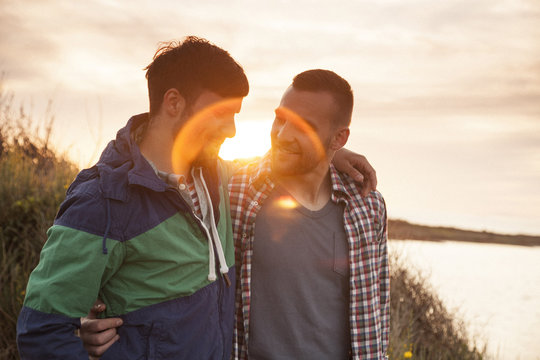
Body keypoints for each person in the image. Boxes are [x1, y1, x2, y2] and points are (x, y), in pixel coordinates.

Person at [17, 37, 377, 359]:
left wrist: (332, 154)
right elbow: (42, 331)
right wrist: (80, 330)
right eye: (221, 114)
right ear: (174, 103)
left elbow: (283, 161)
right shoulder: (102, 200)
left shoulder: (218, 178)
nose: (233, 130)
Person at [230, 70, 389, 359]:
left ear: (339, 137)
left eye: (302, 127)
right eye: (280, 118)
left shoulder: (368, 208)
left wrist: (327, 154)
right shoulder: (237, 192)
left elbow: (378, 313)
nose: (282, 134)